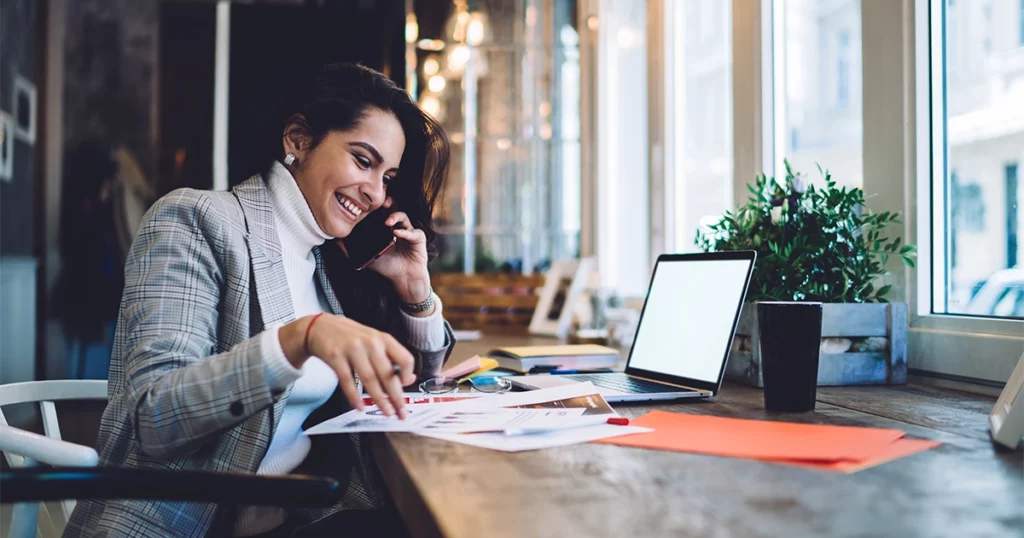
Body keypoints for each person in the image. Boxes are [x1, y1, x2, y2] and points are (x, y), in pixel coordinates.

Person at [63, 63, 455, 538]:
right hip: (187, 526)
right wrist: (297, 341)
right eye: (362, 160)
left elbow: (417, 384)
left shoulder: (325, 261)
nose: (377, 194)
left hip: (301, 516)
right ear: (297, 139)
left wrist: (416, 292)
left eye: (388, 178)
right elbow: (156, 415)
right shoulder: (195, 219)